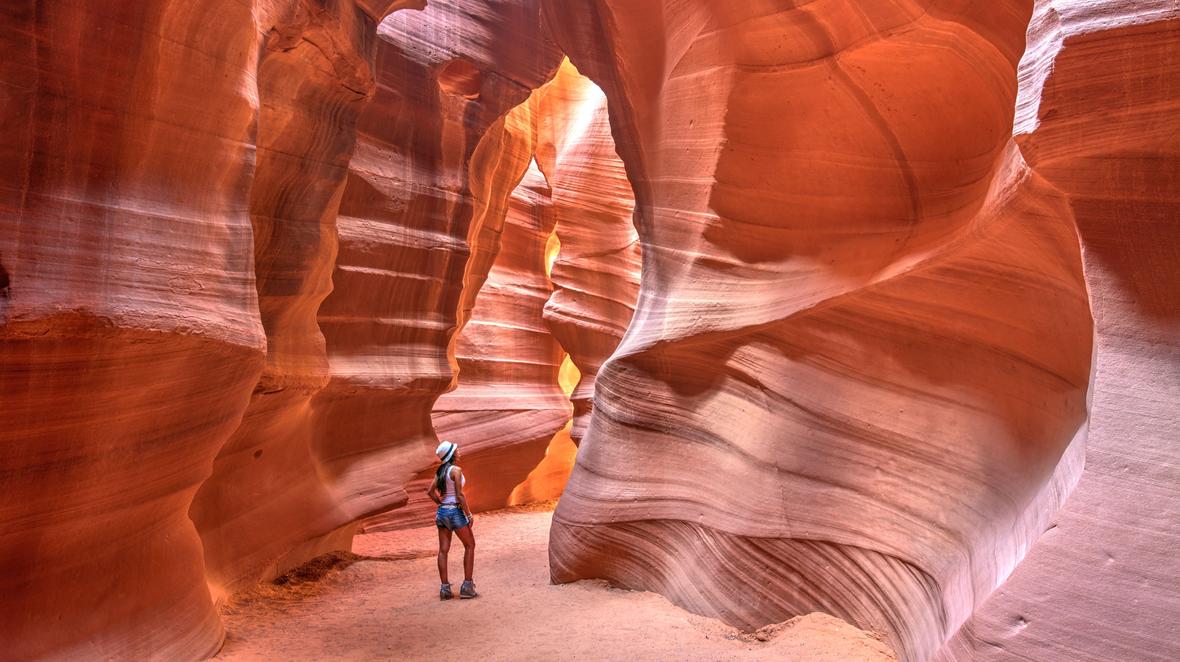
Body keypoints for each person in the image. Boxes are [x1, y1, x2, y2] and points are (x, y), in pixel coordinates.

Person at [426, 440, 478, 600]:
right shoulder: (456, 470)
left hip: (442, 513)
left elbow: (430, 491)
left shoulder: (440, 471)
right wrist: (468, 514)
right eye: (456, 450)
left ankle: (445, 589)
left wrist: (441, 504)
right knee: (470, 545)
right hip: (455, 511)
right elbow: (460, 495)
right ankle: (467, 586)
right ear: (451, 454)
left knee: (443, 550)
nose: (459, 451)